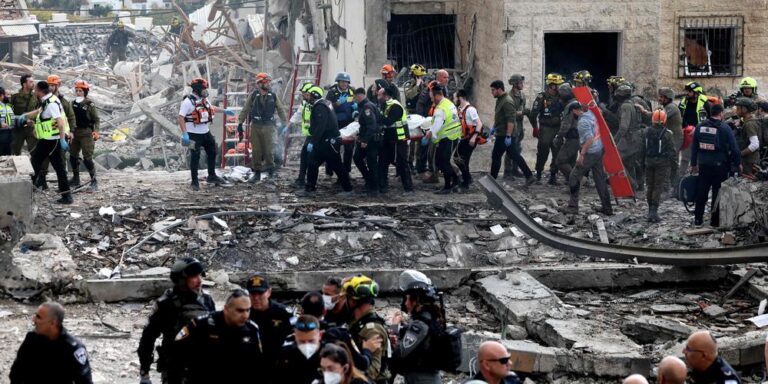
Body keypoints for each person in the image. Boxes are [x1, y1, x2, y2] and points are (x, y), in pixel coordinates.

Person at [138, 257, 215, 384]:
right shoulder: (166, 304)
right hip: (175, 369)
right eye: (193, 277)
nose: (199, 280)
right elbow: (148, 337)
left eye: (200, 275)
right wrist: (144, 373)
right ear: (181, 280)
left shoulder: (207, 300)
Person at [171, 289, 263, 384]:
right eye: (240, 311)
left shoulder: (251, 329)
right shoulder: (202, 325)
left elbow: (257, 366)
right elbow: (176, 353)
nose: (245, 315)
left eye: (248, 310)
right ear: (226, 309)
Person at [10, 302, 92, 384]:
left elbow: (85, 381)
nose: (33, 320)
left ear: (53, 323)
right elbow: (16, 373)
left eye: (38, 317)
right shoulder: (32, 339)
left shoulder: (73, 349)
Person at [690, 103, 741, 227]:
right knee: (717, 194)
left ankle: (698, 219)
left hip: (703, 165)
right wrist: (738, 163)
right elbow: (734, 148)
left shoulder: (700, 126)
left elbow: (694, 147)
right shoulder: (724, 128)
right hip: (720, 166)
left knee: (702, 192)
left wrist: (693, 164)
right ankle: (715, 221)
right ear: (721, 114)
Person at [390, 270, 444, 384]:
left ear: (416, 301)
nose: (405, 303)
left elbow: (400, 351)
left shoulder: (420, 324)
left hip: (421, 379)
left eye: (408, 299)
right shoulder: (431, 318)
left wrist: (394, 327)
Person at [300, 86, 354, 196]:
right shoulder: (325, 103)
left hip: (329, 141)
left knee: (337, 165)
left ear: (314, 95)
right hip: (325, 140)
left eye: (308, 95)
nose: (306, 97)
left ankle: (348, 189)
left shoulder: (320, 107)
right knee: (312, 162)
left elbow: (321, 126)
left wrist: (313, 141)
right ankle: (310, 188)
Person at [177, 78, 227, 191]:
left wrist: (224, 111)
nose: (205, 91)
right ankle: (194, 182)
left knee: (213, 151)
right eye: (204, 89)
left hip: (205, 132)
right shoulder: (187, 102)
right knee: (195, 157)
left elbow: (211, 108)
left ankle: (212, 175)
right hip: (193, 134)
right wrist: (185, 134)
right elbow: (180, 117)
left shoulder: (204, 99)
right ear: (197, 89)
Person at [27, 81, 72, 204]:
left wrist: (62, 139)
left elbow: (60, 122)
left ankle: (26, 192)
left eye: (35, 90)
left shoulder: (51, 103)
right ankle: (66, 196)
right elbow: (39, 112)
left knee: (35, 162)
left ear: (40, 91)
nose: (34, 92)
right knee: (58, 167)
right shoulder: (49, 99)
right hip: (50, 140)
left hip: (52, 141)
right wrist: (24, 116)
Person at [342, 275, 391, 384]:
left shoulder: (371, 329)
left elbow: (373, 370)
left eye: (347, 298)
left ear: (353, 301)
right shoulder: (357, 322)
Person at [566, 102, 612, 215]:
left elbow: (590, 139)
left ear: (575, 111)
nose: (572, 115)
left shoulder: (582, 122)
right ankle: (607, 208)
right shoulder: (591, 114)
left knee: (574, 176)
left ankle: (573, 207)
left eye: (572, 112)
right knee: (600, 179)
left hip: (591, 152)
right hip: (599, 149)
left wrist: (581, 155)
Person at [238, 72, 287, 182]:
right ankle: (257, 174)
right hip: (256, 126)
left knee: (269, 151)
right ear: (259, 84)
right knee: (256, 151)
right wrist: (240, 123)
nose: (268, 84)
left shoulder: (273, 96)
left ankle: (271, 173)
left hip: (269, 127)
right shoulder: (254, 95)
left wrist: (285, 123)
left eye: (269, 82)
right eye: (266, 82)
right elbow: (245, 109)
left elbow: (280, 109)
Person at [489, 80, 535, 186]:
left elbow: (511, 119)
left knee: (496, 156)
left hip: (505, 134)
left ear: (499, 89)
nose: (492, 92)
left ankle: (492, 180)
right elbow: (500, 117)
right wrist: (494, 127)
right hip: (501, 132)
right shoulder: (500, 100)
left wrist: (508, 136)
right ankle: (529, 176)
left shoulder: (507, 101)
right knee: (514, 155)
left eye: (493, 90)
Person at [424, 85, 462, 194]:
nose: (431, 100)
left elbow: (437, 125)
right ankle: (456, 180)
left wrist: (429, 135)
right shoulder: (448, 103)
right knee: (444, 162)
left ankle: (447, 187)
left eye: (431, 97)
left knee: (442, 163)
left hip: (447, 138)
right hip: (453, 137)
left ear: (436, 95)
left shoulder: (440, 109)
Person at [529, 73, 566, 184]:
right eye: (557, 84)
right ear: (552, 85)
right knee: (542, 152)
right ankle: (539, 174)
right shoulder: (542, 97)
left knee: (557, 153)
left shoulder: (562, 97)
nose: (559, 86)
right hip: (545, 128)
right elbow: (533, 114)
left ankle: (553, 176)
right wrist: (535, 128)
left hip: (557, 128)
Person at [379, 86, 414, 194]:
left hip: (399, 139)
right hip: (389, 138)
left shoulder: (395, 106)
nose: (378, 96)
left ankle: (409, 189)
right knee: (383, 162)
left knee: (401, 163)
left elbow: (389, 121)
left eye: (380, 94)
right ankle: (383, 187)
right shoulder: (385, 105)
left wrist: (376, 115)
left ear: (386, 96)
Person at [643, 110, 675, 223]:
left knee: (650, 185)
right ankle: (653, 211)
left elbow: (642, 148)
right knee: (658, 186)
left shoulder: (646, 131)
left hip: (648, 161)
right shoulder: (667, 134)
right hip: (661, 163)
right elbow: (672, 151)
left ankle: (649, 211)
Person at [69, 80, 100, 190]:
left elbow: (96, 119)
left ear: (85, 92)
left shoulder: (90, 104)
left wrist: (96, 131)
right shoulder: (72, 104)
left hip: (86, 133)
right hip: (74, 133)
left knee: (87, 158)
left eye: (80, 91)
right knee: (73, 157)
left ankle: (93, 180)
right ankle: (76, 178)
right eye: (77, 90)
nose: (78, 93)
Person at [276, 315, 323, 383]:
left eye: (311, 341)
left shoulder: (329, 354)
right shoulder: (286, 355)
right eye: (302, 341)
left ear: (320, 335)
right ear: (295, 337)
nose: (307, 345)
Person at [353, 87, 382, 196]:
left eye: (355, 97)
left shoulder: (367, 107)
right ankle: (369, 180)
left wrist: (365, 140)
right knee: (357, 158)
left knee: (372, 163)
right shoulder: (364, 106)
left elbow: (372, 125)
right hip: (366, 138)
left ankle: (374, 189)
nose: (355, 99)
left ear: (360, 95)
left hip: (371, 140)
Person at [614, 84, 643, 191]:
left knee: (617, 160)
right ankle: (633, 187)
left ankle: (632, 184)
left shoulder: (625, 106)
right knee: (629, 163)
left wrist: (615, 140)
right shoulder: (632, 104)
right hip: (636, 137)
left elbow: (623, 127)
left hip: (629, 139)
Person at [328, 72, 357, 173]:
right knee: (334, 146)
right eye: (342, 81)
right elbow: (328, 107)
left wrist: (356, 107)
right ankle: (331, 169)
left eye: (346, 82)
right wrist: (337, 103)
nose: (345, 84)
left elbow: (357, 100)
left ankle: (346, 170)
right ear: (338, 82)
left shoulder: (352, 91)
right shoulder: (332, 92)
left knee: (349, 148)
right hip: (336, 123)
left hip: (349, 122)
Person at [503, 74, 530, 179]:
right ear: (515, 84)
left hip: (519, 125)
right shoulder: (509, 97)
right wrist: (522, 112)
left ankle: (515, 169)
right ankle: (507, 172)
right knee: (510, 149)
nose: (522, 84)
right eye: (520, 83)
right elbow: (511, 113)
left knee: (517, 148)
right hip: (511, 124)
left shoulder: (522, 96)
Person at [455, 89, 483, 190]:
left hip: (471, 139)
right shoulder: (460, 109)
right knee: (459, 159)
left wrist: (474, 137)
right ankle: (467, 178)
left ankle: (466, 183)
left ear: (460, 97)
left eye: (455, 97)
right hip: (463, 138)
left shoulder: (470, 109)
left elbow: (479, 124)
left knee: (462, 160)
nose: (454, 99)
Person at [553, 84, 579, 184]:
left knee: (560, 161)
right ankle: (572, 186)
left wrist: (558, 137)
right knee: (571, 163)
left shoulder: (570, 106)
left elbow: (565, 126)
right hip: (578, 137)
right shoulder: (577, 103)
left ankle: (578, 180)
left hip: (572, 138)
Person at [292, 82, 316, 188]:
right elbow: (298, 114)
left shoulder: (318, 104)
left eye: (305, 94)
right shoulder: (305, 103)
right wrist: (288, 126)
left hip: (318, 135)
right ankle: (302, 179)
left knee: (332, 160)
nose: (303, 96)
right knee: (305, 156)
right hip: (311, 135)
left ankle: (345, 183)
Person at [404, 64, 428, 172]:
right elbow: (409, 95)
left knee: (421, 139)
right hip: (411, 115)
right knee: (411, 141)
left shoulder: (425, 85)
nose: (422, 78)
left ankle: (420, 163)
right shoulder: (409, 85)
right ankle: (409, 162)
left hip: (421, 116)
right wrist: (417, 86)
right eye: (420, 76)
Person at [732, 97, 761, 176]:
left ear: (744, 109)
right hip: (749, 161)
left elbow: (755, 144)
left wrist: (740, 154)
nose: (736, 110)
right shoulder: (748, 121)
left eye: (738, 108)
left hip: (749, 163)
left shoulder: (749, 124)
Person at [10, 74, 37, 155]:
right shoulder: (15, 96)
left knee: (35, 152)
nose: (33, 83)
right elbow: (9, 114)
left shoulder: (35, 96)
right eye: (31, 82)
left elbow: (38, 111)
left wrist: (34, 122)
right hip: (18, 129)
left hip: (31, 129)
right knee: (15, 152)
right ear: (24, 84)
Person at [0, 87, 15, 156]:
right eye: (6, 94)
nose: (8, 96)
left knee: (7, 156)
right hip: (1, 133)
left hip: (9, 134)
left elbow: (12, 118)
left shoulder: (8, 106)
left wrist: (24, 120)